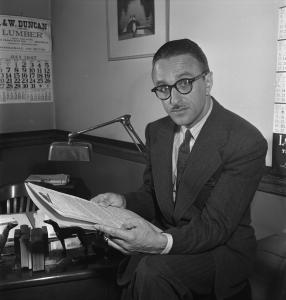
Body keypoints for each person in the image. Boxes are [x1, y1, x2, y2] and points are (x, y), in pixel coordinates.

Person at [92, 38, 268, 300]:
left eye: (184, 83)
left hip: (221, 251)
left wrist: (161, 243)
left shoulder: (245, 140)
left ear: (207, 82)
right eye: (163, 88)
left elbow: (216, 226)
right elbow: (152, 195)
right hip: (172, 239)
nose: (173, 99)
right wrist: (124, 202)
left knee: (152, 271)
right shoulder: (157, 131)